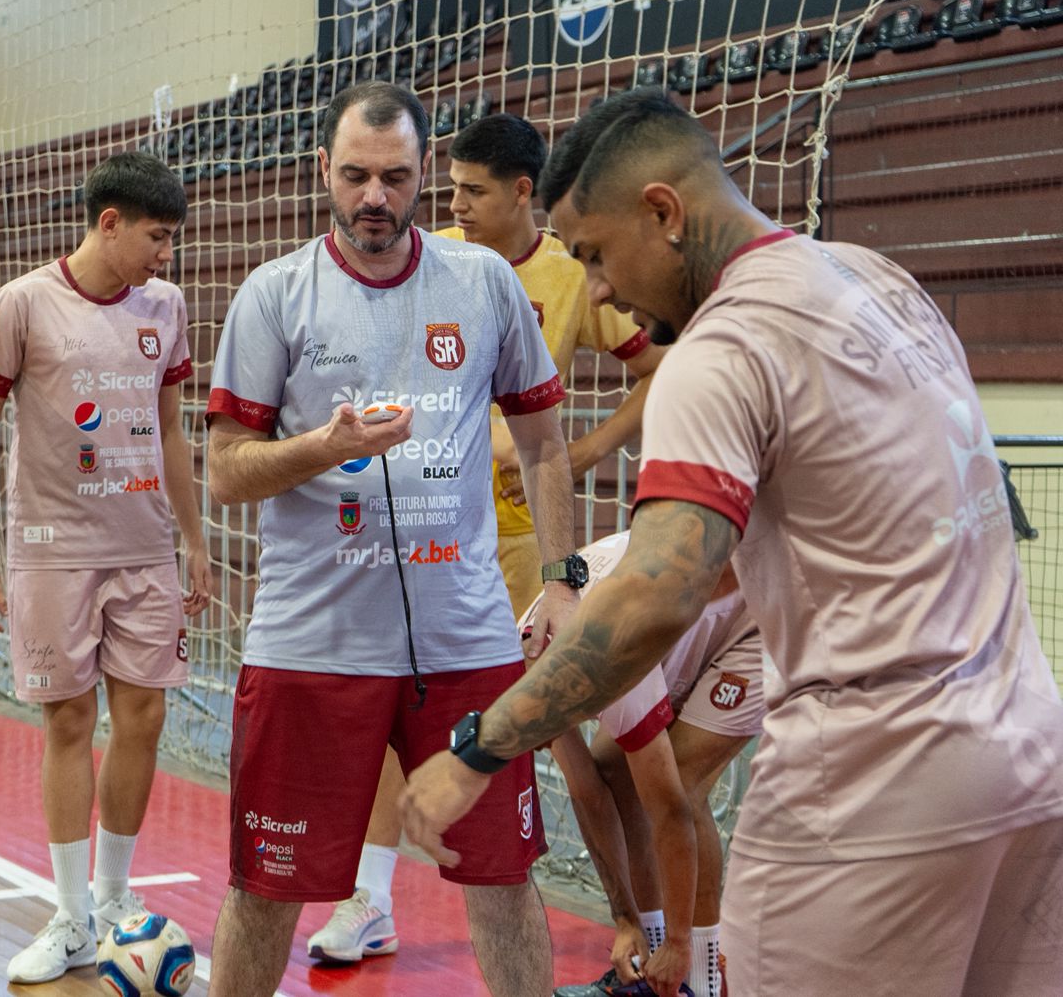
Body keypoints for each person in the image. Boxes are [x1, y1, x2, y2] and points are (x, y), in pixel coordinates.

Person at [402, 87, 1063, 996]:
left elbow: (654, 597)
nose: (597, 289)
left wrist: (477, 751)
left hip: (875, 787)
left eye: (594, 254)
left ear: (663, 212)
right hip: (1028, 755)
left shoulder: (720, 351)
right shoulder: (877, 278)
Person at [203, 80, 581, 997]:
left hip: (467, 639)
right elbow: (224, 468)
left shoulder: (486, 283)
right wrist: (318, 449)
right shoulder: (274, 295)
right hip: (312, 643)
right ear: (322, 170)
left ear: (425, 177)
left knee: (501, 876)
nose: (375, 197)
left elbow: (543, 444)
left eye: (398, 177)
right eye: (358, 176)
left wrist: (566, 579)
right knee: (266, 889)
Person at [307, 111, 667, 966]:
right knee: (398, 705)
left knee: (568, 738)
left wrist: (581, 450)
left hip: (524, 541)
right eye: (450, 187)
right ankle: (369, 898)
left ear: (519, 192)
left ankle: (626, 918)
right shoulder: (420, 269)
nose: (454, 204)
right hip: (430, 530)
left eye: (472, 190)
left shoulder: (574, 274)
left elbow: (655, 371)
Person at [0, 150, 213, 984]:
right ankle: (67, 920)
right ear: (108, 223)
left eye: (171, 239)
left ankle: (109, 905)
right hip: (52, 553)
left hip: (145, 550)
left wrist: (195, 538)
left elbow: (172, 429)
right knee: (67, 725)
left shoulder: (166, 306)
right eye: (156, 236)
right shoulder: (23, 302)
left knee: (142, 722)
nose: (164, 255)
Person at [530, 532, 762, 997]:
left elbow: (670, 810)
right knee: (615, 770)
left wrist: (678, 943)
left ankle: (701, 981)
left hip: (755, 614)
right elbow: (587, 788)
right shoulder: (526, 663)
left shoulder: (603, 658)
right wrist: (624, 920)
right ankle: (648, 971)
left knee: (681, 783)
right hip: (669, 621)